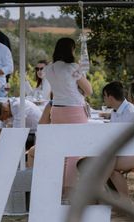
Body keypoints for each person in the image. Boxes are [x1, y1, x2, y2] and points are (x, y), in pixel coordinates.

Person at [43, 37, 92, 189]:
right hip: (74, 110)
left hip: (57, 110)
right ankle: (69, 190)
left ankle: (57, 187)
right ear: (70, 50)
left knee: (60, 151)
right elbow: (89, 90)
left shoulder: (49, 69)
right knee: (74, 152)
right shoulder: (73, 68)